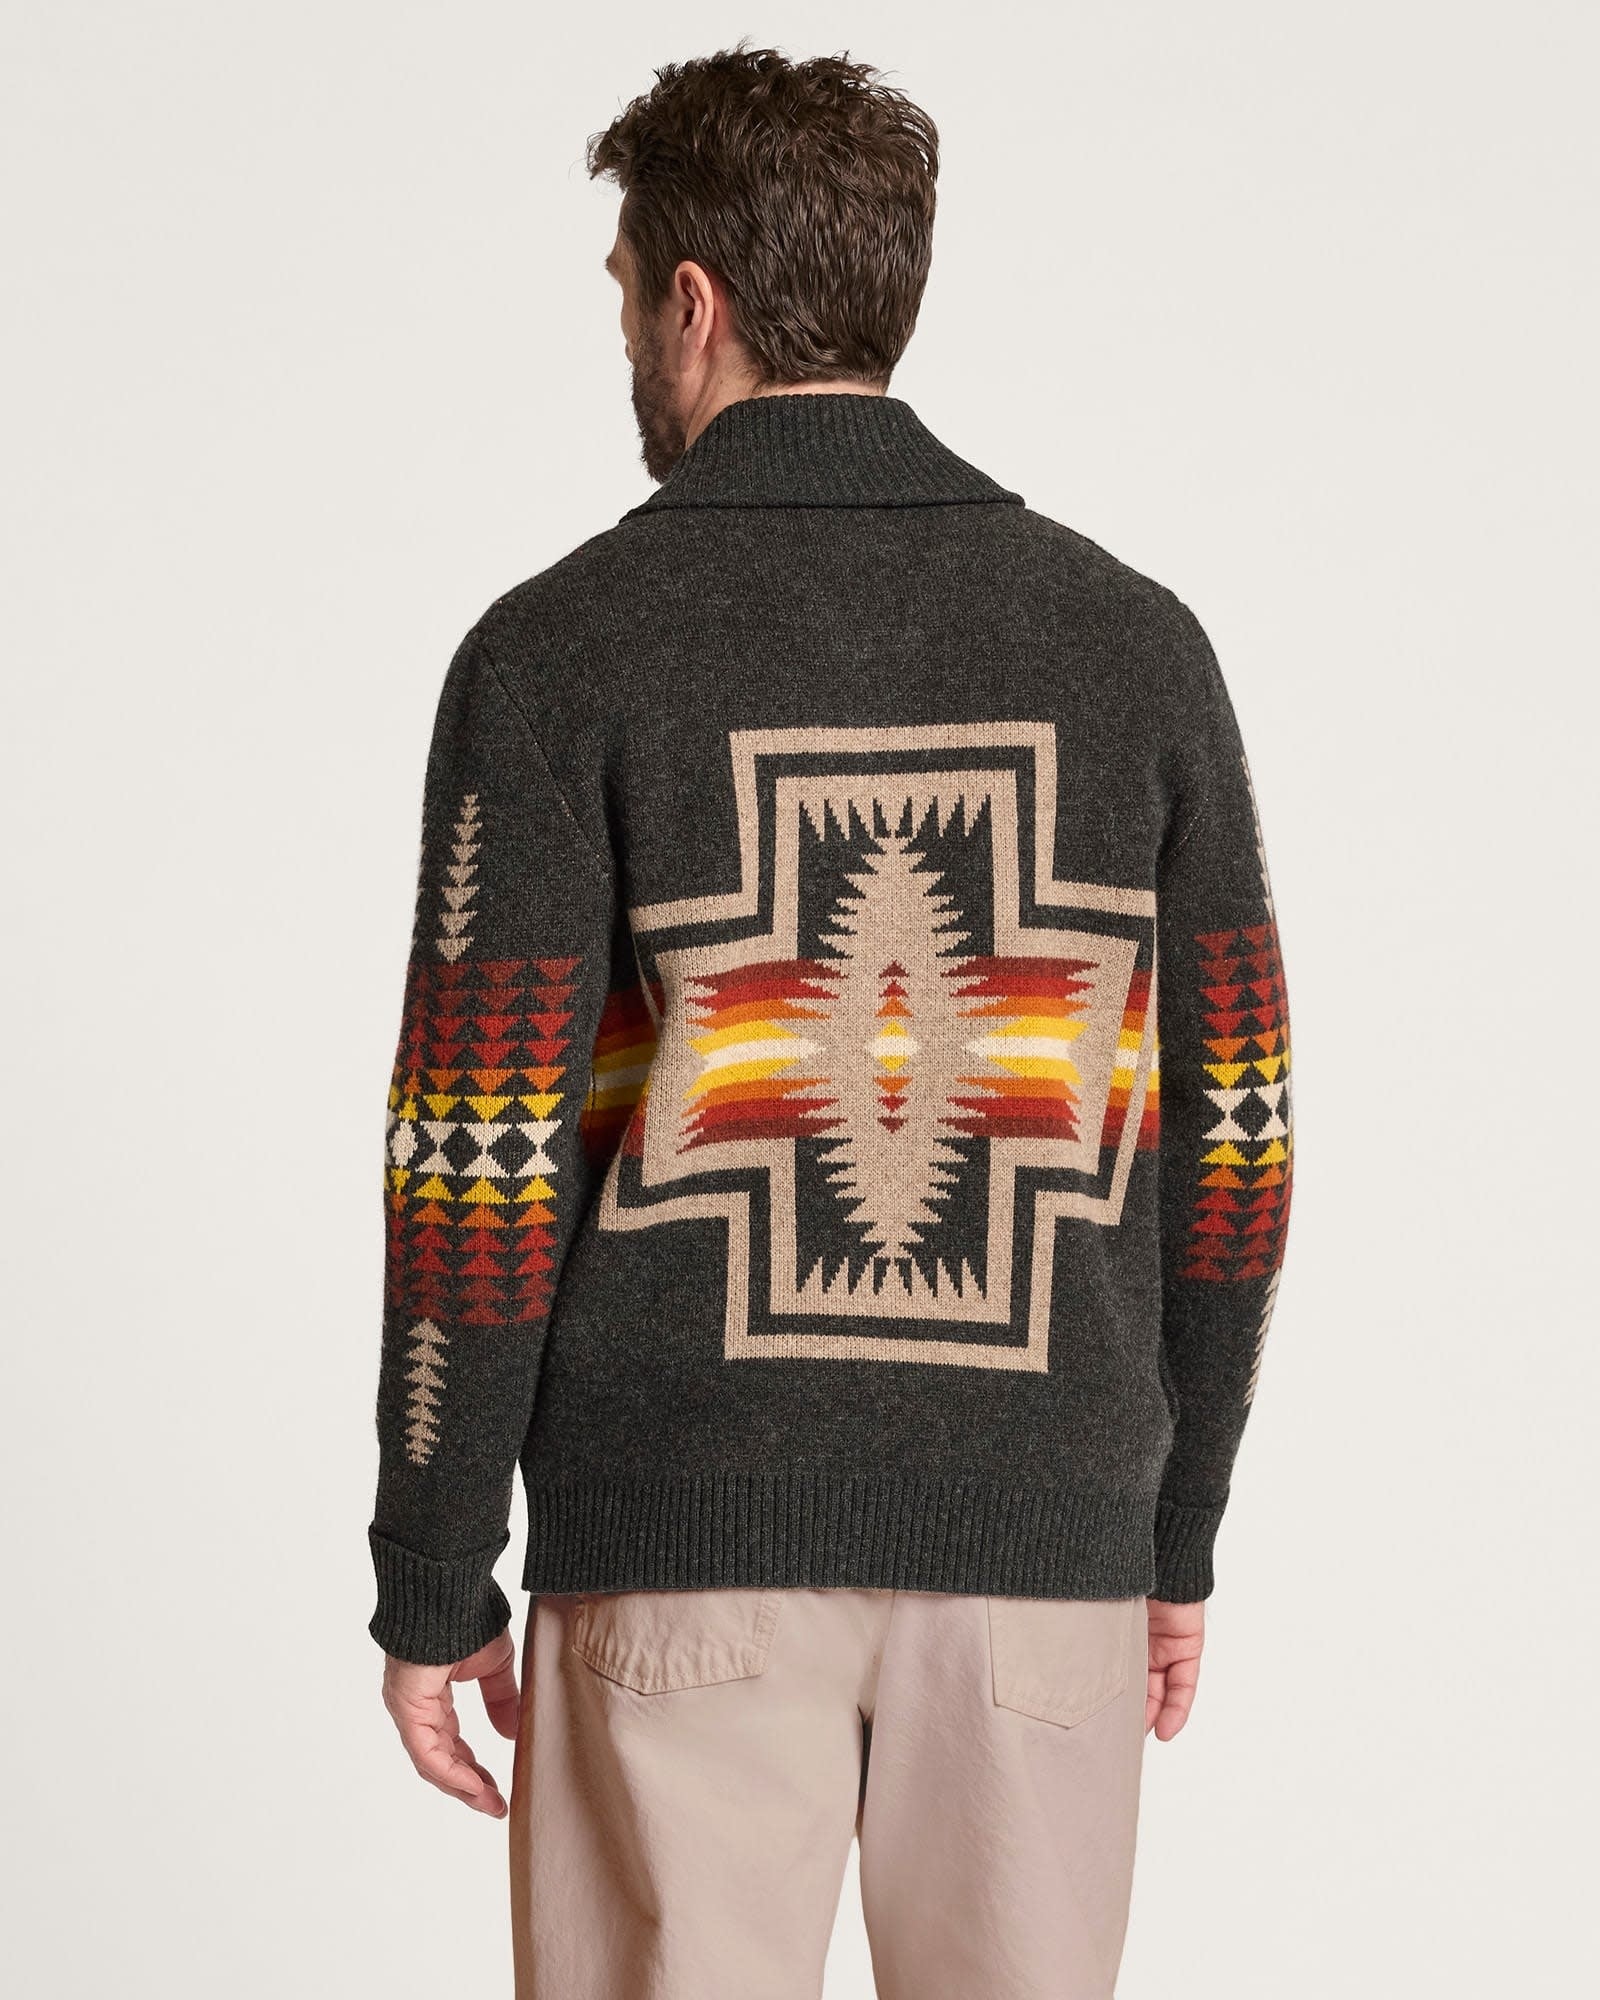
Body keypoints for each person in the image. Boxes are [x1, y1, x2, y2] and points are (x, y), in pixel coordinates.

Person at [368, 44, 1294, 2000]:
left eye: (626, 287)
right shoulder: (1137, 649)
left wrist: (434, 1567)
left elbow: (477, 1156)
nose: (627, 331)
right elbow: (1237, 1135)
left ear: (690, 303)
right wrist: (1174, 1531)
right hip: (1041, 1552)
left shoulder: (555, 655)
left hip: (676, 1546)